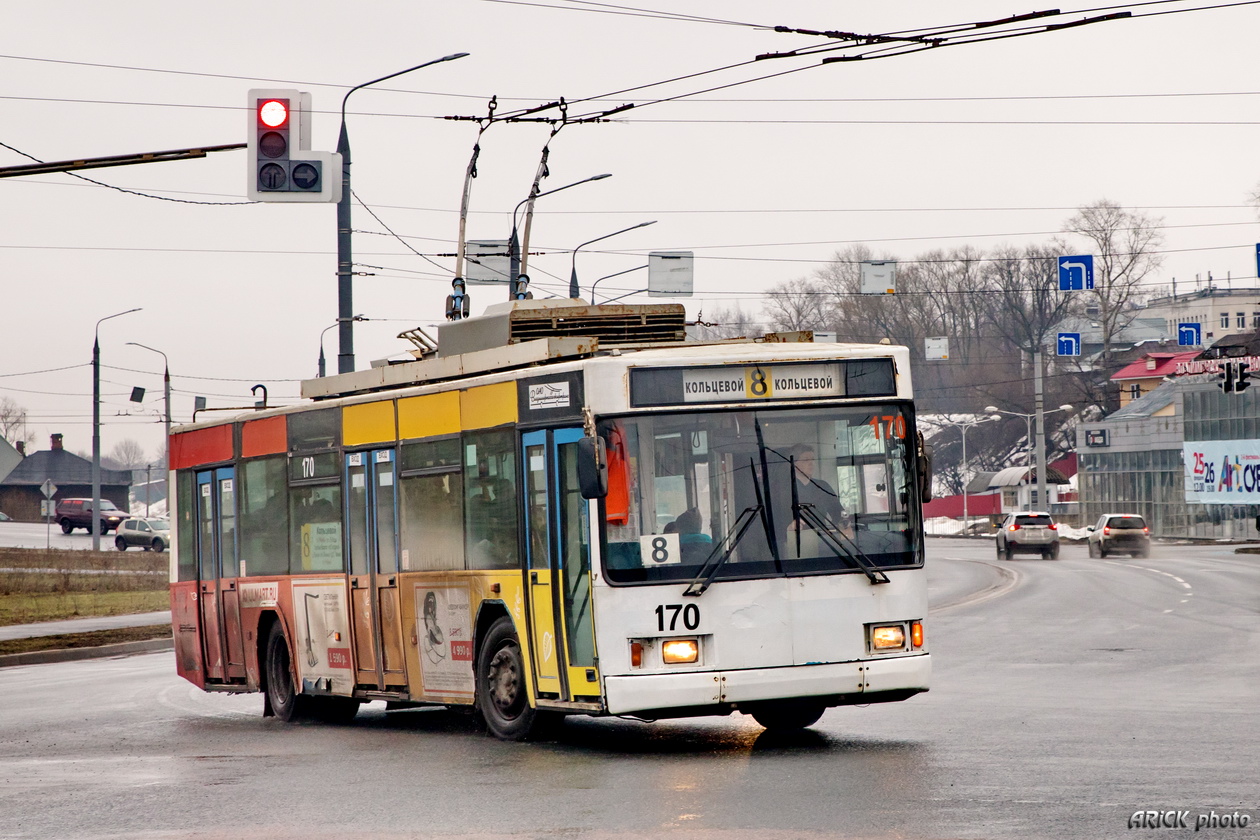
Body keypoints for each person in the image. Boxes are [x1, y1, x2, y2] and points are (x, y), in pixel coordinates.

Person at [788, 444, 845, 530]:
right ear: (794, 463)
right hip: (796, 539)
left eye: (813, 459)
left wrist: (843, 523)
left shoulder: (822, 486)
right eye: (806, 460)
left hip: (824, 538)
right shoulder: (786, 488)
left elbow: (838, 513)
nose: (811, 463)